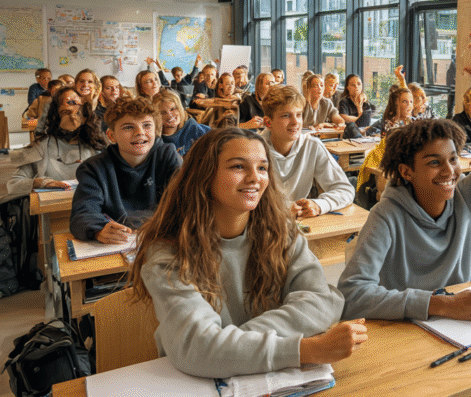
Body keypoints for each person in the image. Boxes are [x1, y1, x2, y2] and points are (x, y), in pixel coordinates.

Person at [130, 128, 367, 379]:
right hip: (196, 384)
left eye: (263, 168)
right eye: (238, 167)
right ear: (204, 175)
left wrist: (233, 344)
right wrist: (301, 350)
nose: (255, 178)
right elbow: (199, 348)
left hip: (267, 378)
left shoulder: (280, 231)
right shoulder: (167, 253)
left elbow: (323, 300)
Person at [338, 31, 471, 321]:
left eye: (453, 159)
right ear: (406, 171)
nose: (449, 172)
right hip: (404, 332)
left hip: (458, 327)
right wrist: (440, 305)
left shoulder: (466, 197)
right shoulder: (386, 215)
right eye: (433, 162)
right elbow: (352, 295)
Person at [69, 97, 182, 244]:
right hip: (119, 244)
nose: (140, 132)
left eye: (147, 125)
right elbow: (83, 212)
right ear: (111, 136)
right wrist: (99, 230)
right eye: (128, 127)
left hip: (162, 238)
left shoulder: (168, 156)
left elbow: (187, 200)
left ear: (156, 130)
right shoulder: (94, 168)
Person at [261, 86, 354, 219]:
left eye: (299, 115)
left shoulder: (312, 146)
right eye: (286, 116)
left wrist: (319, 204)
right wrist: (284, 208)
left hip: (297, 223)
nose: (295, 122)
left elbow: (345, 190)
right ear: (268, 123)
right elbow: (241, 198)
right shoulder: (253, 150)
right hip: (262, 223)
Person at [7, 87, 108, 198]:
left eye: (78, 113)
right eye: (66, 112)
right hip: (53, 209)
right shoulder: (41, 146)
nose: (73, 118)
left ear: (84, 117)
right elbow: (13, 184)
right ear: (56, 116)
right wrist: (43, 183)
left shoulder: (96, 144)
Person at [154, 89, 210, 156]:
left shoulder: (191, 126)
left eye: (173, 109)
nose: (169, 115)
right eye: (163, 112)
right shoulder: (158, 141)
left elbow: (214, 141)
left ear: (179, 108)